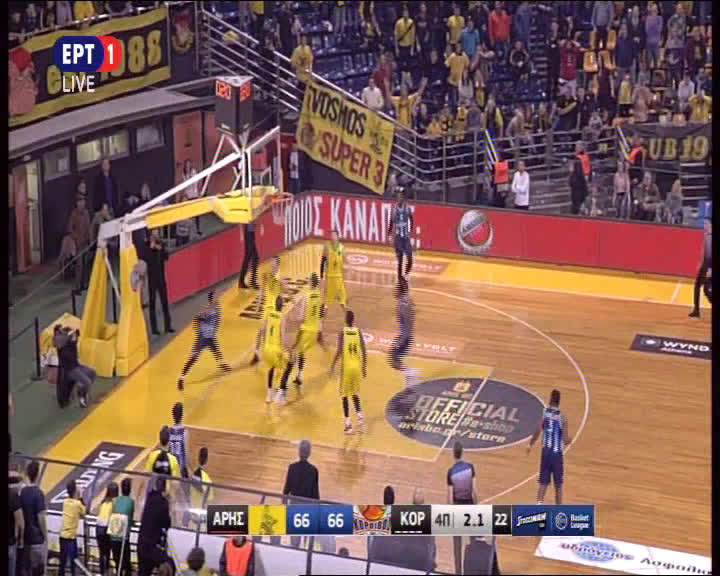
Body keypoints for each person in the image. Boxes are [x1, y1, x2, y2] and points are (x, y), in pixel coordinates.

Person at [177, 291, 231, 391]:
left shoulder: (217, 308)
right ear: (211, 300)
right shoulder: (208, 311)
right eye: (215, 298)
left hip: (210, 337)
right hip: (202, 339)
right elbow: (197, 318)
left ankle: (222, 364)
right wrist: (199, 328)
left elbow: (215, 322)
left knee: (216, 351)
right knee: (193, 359)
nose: (217, 299)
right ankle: (181, 378)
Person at [526, 389, 572, 505]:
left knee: (543, 483)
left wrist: (530, 444)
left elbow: (537, 431)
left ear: (550, 399)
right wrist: (570, 440)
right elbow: (565, 440)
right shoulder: (562, 418)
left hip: (545, 452)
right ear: (559, 401)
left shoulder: (544, 413)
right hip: (556, 455)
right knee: (558, 484)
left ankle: (538, 506)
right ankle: (558, 509)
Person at [330, 310, 367, 435]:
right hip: (357, 367)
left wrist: (332, 365)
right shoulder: (358, 332)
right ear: (353, 320)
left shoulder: (343, 332)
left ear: (345, 320)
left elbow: (339, 351)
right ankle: (360, 420)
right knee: (355, 394)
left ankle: (348, 424)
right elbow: (364, 350)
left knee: (345, 396)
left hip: (347, 368)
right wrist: (364, 367)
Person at [290, 273, 325, 391]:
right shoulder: (319, 296)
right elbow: (321, 313)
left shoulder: (306, 296)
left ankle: (284, 382)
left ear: (311, 282)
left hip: (306, 329)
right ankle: (299, 376)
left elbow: (301, 316)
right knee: (301, 352)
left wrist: (294, 317)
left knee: (294, 352)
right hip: (314, 330)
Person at [283, 440, 320, 548]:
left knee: (294, 541)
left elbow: (286, 490)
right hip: (308, 508)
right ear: (309, 453)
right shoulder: (313, 470)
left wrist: (284, 506)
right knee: (307, 542)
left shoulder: (292, 468)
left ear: (299, 452)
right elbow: (315, 494)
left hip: (294, 507)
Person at [447, 441, 476, 574]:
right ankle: (473, 569)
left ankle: (458, 572)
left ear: (453, 454)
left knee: (457, 544)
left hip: (457, 508)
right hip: (470, 507)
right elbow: (474, 491)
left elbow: (449, 496)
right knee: (473, 540)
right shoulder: (470, 467)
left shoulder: (451, 472)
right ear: (462, 452)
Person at [138, 476, 174, 576]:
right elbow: (167, 524)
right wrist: (169, 503)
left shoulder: (149, 498)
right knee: (170, 563)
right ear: (164, 488)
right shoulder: (163, 502)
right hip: (152, 547)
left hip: (141, 544)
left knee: (143, 572)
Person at [250, 257, 284, 365]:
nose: (272, 265)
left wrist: (280, 308)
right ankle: (257, 353)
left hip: (274, 308)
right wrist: (258, 305)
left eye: (274, 263)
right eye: (271, 263)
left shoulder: (279, 278)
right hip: (266, 307)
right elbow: (261, 291)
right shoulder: (266, 276)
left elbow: (281, 295)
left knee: (273, 333)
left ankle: (273, 353)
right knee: (261, 330)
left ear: (277, 265)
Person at [54, 325, 94, 408]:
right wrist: (71, 341)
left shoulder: (69, 342)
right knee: (87, 382)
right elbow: (69, 356)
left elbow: (76, 335)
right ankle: (81, 398)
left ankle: (81, 388)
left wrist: (73, 337)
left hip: (76, 366)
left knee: (92, 373)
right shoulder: (63, 347)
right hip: (70, 370)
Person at [20, 460, 47, 576]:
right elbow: (41, 517)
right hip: (36, 539)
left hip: (25, 537)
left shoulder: (22, 491)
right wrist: (45, 536)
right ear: (37, 474)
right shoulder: (38, 493)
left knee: (25, 570)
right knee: (37, 570)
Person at [389, 277, 417, 387]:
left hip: (404, 336)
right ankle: (410, 377)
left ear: (399, 291)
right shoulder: (406, 300)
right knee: (395, 359)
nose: (394, 291)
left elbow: (408, 322)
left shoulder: (403, 304)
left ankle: (411, 376)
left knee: (394, 360)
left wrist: (402, 339)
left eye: (396, 289)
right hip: (405, 335)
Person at [146, 231, 174, 336]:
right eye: (153, 235)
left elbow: (167, 257)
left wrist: (160, 249)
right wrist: (150, 248)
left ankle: (168, 326)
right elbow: (146, 259)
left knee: (165, 302)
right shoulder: (146, 246)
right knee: (152, 303)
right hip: (152, 279)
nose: (155, 236)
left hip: (161, 277)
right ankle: (154, 329)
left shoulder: (161, 244)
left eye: (156, 234)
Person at [59, 480, 85, 576]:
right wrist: (81, 496)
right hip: (71, 537)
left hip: (62, 535)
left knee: (62, 561)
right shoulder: (77, 504)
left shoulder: (65, 502)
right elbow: (84, 512)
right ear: (75, 491)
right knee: (74, 561)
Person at [387, 189, 414, 279]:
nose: (399, 199)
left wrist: (410, 229)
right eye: (397, 198)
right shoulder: (394, 210)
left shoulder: (407, 209)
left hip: (406, 237)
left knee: (410, 258)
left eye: (400, 197)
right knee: (400, 259)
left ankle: (406, 273)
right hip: (398, 238)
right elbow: (391, 222)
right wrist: (389, 234)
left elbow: (411, 220)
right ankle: (400, 277)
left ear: (403, 198)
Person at [110, 478, 135, 576]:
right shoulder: (131, 501)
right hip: (123, 537)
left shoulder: (116, 500)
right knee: (126, 562)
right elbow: (130, 518)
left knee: (117, 562)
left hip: (114, 535)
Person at [321, 230, 348, 318]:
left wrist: (349, 268)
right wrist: (321, 274)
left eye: (334, 235)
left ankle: (348, 320)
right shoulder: (327, 247)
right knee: (327, 301)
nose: (332, 237)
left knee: (343, 300)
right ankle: (321, 320)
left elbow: (345, 260)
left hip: (339, 277)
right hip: (330, 277)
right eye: (331, 235)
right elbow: (323, 261)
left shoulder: (342, 247)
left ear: (337, 236)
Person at [68, 195, 91, 293]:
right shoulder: (74, 214)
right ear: (77, 203)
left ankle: (85, 284)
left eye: (83, 201)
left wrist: (89, 239)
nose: (82, 203)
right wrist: (76, 238)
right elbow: (70, 228)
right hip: (78, 244)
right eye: (80, 202)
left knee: (86, 264)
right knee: (79, 266)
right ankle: (77, 287)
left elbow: (89, 227)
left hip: (86, 243)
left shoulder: (86, 213)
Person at [690, 218, 711, 319]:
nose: (704, 225)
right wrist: (701, 262)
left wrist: (710, 269)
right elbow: (704, 250)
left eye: (706, 224)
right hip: (705, 264)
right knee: (697, 285)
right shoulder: (706, 235)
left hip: (710, 265)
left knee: (706, 290)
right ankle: (696, 310)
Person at [95, 482, 117, 576]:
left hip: (98, 527)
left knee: (102, 553)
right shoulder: (114, 503)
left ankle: (102, 572)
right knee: (107, 553)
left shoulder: (103, 502)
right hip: (105, 528)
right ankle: (106, 572)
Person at [182, 159, 202, 236]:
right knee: (189, 214)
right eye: (186, 164)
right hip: (188, 195)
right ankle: (188, 231)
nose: (188, 166)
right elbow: (184, 185)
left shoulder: (193, 171)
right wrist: (185, 194)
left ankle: (198, 229)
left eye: (189, 164)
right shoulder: (184, 173)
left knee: (197, 214)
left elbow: (197, 182)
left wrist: (198, 192)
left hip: (195, 194)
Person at [238, 223, 259, 290]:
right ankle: (250, 282)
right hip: (248, 232)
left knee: (251, 257)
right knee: (251, 257)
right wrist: (241, 233)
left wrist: (257, 225)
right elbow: (241, 221)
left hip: (251, 231)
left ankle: (244, 281)